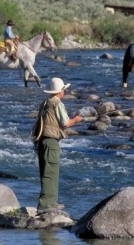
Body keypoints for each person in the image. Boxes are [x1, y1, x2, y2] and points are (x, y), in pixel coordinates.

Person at [35, 77, 83, 214]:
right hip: (51, 142)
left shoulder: (45, 103)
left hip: (42, 141)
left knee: (45, 172)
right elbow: (66, 123)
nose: (65, 91)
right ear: (60, 91)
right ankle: (46, 205)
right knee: (51, 173)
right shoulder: (57, 103)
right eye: (64, 89)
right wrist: (76, 120)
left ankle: (51, 202)